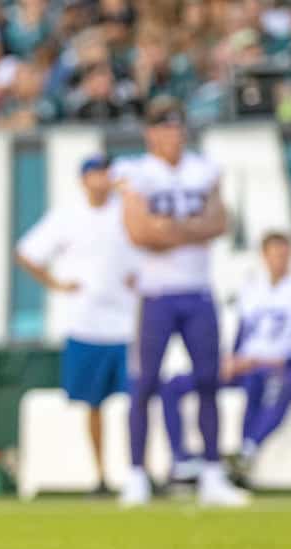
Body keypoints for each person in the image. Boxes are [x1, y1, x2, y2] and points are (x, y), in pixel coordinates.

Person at [114, 96, 247, 507]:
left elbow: (219, 222)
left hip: (198, 291)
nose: (172, 134)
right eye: (163, 126)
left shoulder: (204, 169)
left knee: (209, 380)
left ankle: (211, 471)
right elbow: (139, 233)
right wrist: (191, 230)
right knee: (146, 383)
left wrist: (168, 231)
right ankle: (137, 473)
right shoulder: (136, 171)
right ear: (150, 133)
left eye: (176, 126)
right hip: (156, 295)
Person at [16, 155, 137, 495]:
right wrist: (56, 284)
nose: (100, 181)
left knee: (137, 399)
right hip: (86, 323)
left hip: (127, 321)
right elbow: (27, 252)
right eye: (94, 175)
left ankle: (138, 469)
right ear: (83, 180)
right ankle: (100, 474)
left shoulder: (126, 211)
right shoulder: (67, 217)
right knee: (93, 403)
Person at [161, 232, 291, 488]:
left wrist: (258, 362)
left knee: (274, 385)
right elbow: (243, 332)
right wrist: (231, 359)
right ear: (264, 256)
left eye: (284, 255)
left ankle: (246, 451)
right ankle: (182, 458)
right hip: (245, 366)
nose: (280, 260)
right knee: (174, 385)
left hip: (275, 367)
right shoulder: (252, 289)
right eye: (275, 254)